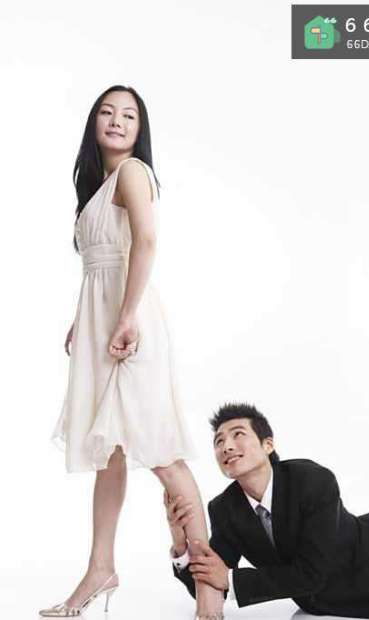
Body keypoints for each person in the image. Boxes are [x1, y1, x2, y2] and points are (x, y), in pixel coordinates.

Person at [39, 85, 224, 620]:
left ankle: (209, 587)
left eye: (129, 115)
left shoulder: (133, 173)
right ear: (93, 122)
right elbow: (105, 262)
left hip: (131, 326)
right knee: (111, 456)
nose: (117, 121)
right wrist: (85, 319)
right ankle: (101, 568)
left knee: (161, 452)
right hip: (105, 322)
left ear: (141, 131)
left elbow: (145, 242)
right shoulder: (97, 185)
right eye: (107, 112)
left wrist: (124, 317)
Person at [167, 402, 369, 619]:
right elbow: (209, 584)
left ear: (268, 445)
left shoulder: (312, 481)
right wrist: (181, 546)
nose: (226, 446)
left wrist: (230, 578)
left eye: (237, 434)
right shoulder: (225, 509)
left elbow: (312, 573)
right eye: (218, 441)